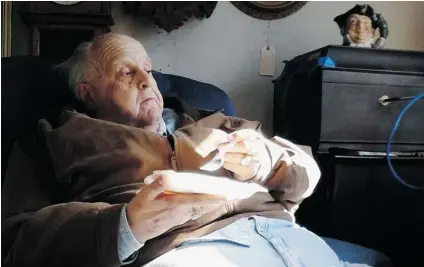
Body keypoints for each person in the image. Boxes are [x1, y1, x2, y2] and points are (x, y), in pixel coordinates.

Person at [1, 33, 391, 267]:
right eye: (125, 72)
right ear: (88, 92)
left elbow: (306, 177)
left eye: (148, 69)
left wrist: (273, 163)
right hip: (191, 252)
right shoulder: (53, 138)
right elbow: (13, 239)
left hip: (288, 239)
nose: (146, 82)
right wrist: (122, 226)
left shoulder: (214, 120)